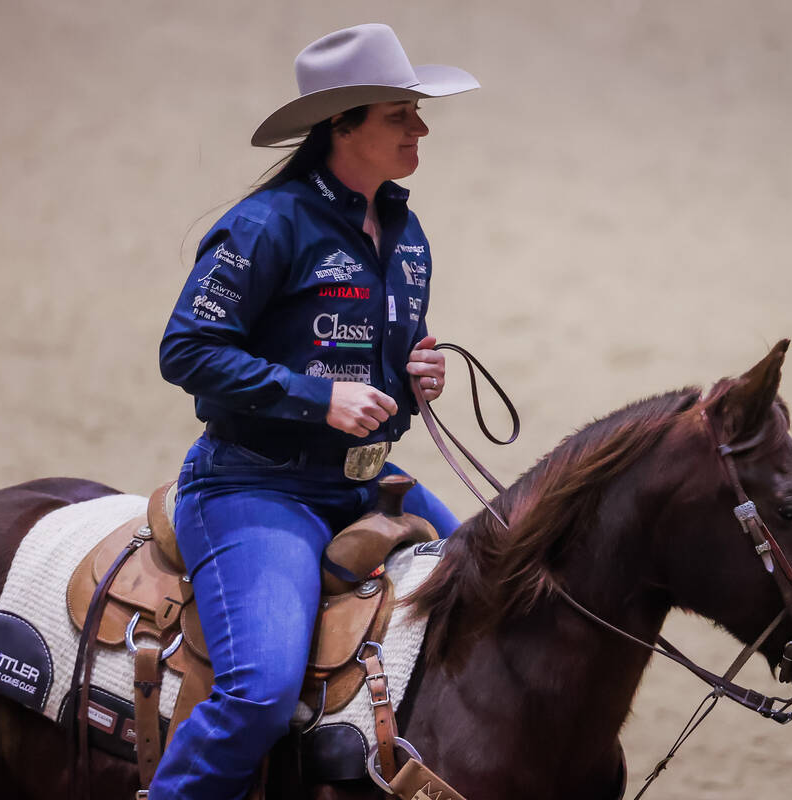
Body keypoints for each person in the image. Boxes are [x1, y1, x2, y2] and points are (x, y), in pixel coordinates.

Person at [154, 23, 479, 799]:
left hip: (367, 482)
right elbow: (186, 352)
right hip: (252, 488)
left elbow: (371, 364)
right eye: (401, 113)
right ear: (344, 124)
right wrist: (317, 397)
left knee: (500, 582)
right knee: (259, 695)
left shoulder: (405, 233)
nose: (421, 128)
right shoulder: (266, 225)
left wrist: (413, 377)